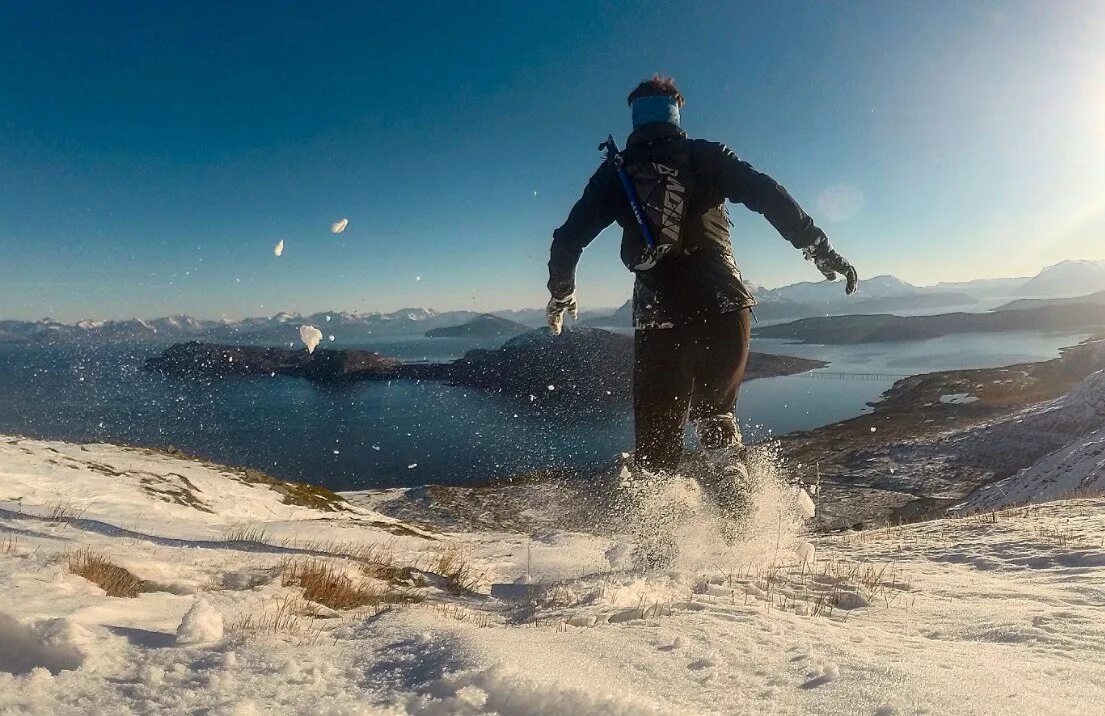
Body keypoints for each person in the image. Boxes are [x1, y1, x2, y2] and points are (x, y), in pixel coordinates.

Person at [546, 75, 857, 473]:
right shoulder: (706, 157)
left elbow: (568, 239)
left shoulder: (616, 176)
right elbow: (768, 194)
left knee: (657, 455)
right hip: (723, 301)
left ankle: (664, 526)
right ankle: (748, 525)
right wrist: (818, 248)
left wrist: (562, 291)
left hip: (659, 312)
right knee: (719, 430)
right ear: (677, 112)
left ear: (635, 119)